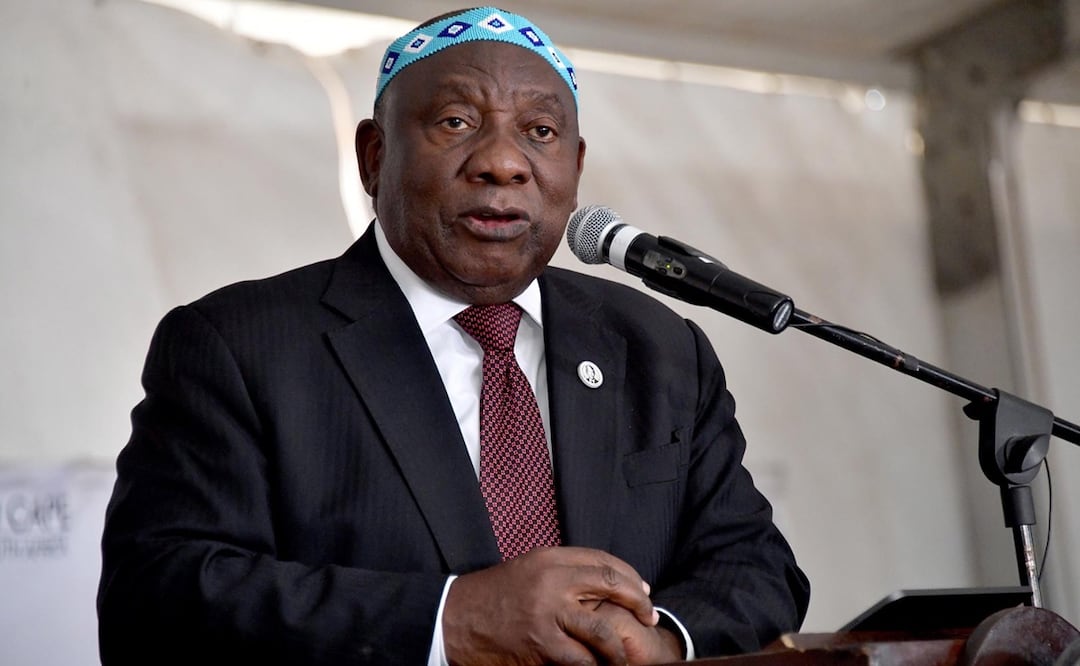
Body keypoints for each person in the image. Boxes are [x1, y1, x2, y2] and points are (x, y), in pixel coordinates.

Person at [97, 6, 809, 665]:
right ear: (374, 158)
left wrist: (662, 640)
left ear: (576, 166)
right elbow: (153, 601)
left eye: (540, 132)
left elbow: (755, 566)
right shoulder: (240, 345)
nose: (503, 162)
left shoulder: (658, 346)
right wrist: (449, 620)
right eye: (455, 122)